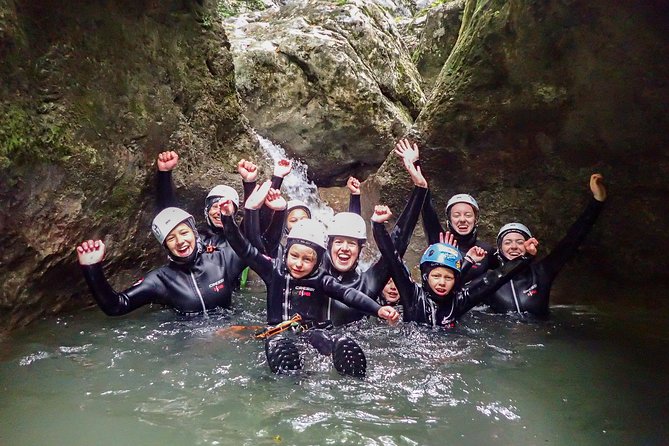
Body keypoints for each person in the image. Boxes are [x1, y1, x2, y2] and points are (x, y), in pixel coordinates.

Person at [218, 183, 399, 376]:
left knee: (324, 337)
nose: (298, 264)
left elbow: (348, 294)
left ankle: (343, 359)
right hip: (278, 332)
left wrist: (378, 309)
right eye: (294, 256)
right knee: (278, 341)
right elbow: (244, 249)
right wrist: (227, 218)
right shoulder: (273, 270)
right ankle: (291, 370)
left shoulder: (320, 278)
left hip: (309, 332)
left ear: (318, 261)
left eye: (307, 259)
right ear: (286, 252)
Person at [373, 205, 538, 327]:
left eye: (448, 278)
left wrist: (526, 257)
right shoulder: (413, 297)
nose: (442, 283)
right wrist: (378, 226)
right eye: (436, 276)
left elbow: (496, 278)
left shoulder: (460, 302)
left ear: (456, 281)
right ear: (425, 277)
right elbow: (393, 259)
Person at [324, 138, 429, 325]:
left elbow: (398, 243)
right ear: (329, 245)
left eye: (352, 244)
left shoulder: (368, 284)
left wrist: (420, 189)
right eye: (339, 242)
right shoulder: (315, 271)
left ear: (360, 250)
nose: (345, 248)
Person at [76, 207, 247, 316]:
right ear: (165, 245)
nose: (180, 241)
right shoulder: (160, 280)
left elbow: (258, 246)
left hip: (229, 331)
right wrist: (92, 268)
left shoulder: (221, 259)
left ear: (195, 233)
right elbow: (116, 306)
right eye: (171, 238)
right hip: (189, 347)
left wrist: (252, 202)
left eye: (184, 233)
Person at [485, 173, 607, 318]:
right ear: (499, 249)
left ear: (528, 245)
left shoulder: (542, 272)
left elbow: (573, 240)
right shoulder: (489, 279)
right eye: (507, 242)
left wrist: (597, 202)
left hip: (539, 336)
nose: (513, 247)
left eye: (519, 242)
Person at [422, 186, 495, 281]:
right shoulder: (441, 243)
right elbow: (428, 215)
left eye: (468, 215)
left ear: (476, 219)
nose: (462, 220)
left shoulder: (486, 250)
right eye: (456, 215)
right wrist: (423, 188)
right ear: (449, 220)